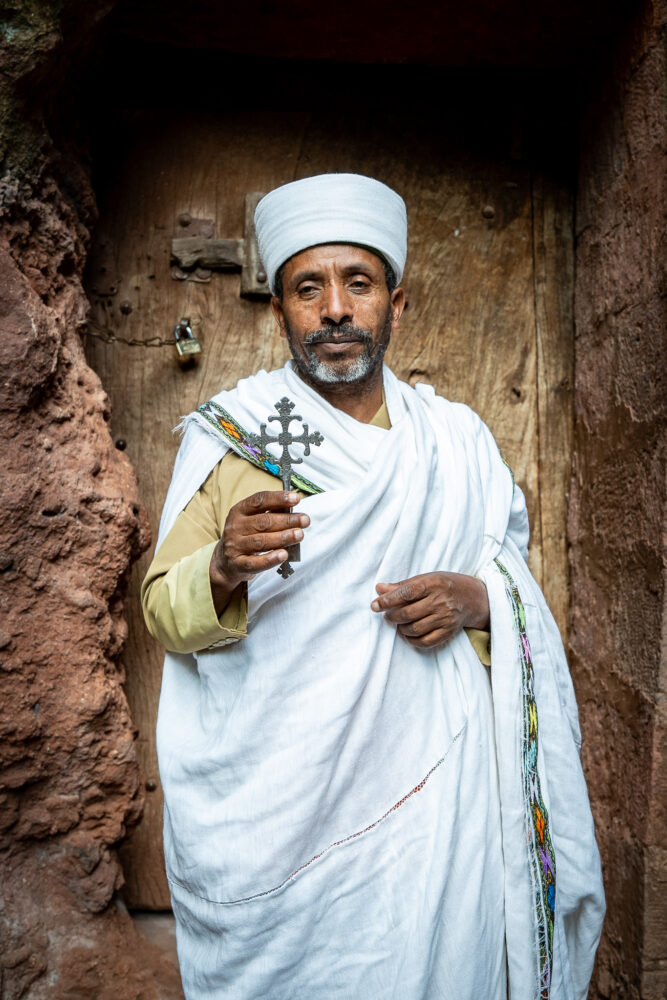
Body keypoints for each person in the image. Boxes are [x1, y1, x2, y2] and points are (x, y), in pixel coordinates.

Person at [142, 173, 604, 1000]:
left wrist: (478, 601)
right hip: (281, 802)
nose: (334, 310)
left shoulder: (455, 442)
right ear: (279, 311)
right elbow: (161, 612)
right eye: (306, 288)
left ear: (398, 302)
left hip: (435, 796)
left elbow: (510, 585)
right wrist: (220, 567)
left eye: (357, 284)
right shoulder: (238, 434)